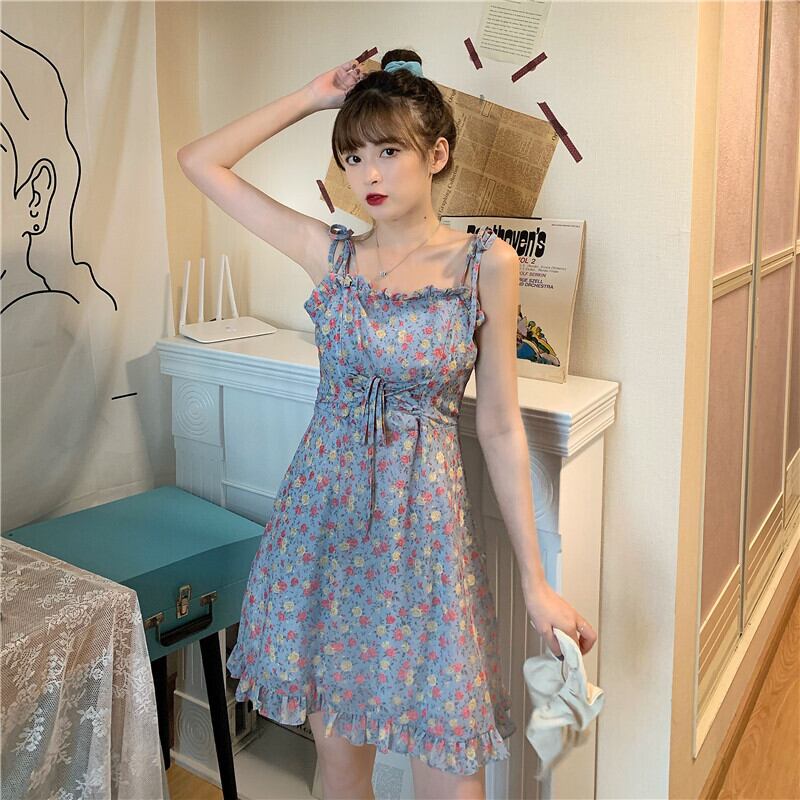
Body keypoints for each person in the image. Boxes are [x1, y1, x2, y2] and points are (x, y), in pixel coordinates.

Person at [178, 48, 597, 800]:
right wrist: (312, 94)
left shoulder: (485, 264)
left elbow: (500, 427)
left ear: (437, 154)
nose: (367, 173)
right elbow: (200, 162)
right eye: (352, 156)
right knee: (341, 770)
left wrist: (537, 583)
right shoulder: (329, 256)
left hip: (425, 537)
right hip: (323, 528)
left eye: (389, 151)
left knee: (453, 777)